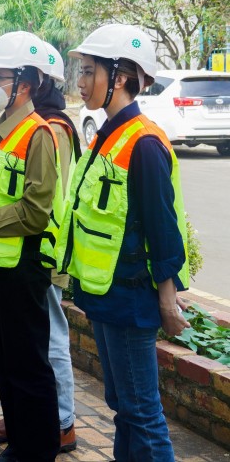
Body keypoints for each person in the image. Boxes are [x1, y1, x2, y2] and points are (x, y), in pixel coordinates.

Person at [57, 24, 190, 462]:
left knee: (142, 411)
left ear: (119, 77)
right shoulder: (108, 134)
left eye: (88, 71)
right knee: (123, 405)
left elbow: (162, 228)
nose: (80, 82)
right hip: (107, 293)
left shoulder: (143, 143)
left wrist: (167, 300)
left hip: (132, 297)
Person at [0, 31, 62, 462]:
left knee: (28, 364)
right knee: (5, 358)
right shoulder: (3, 132)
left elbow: (35, 211)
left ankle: (37, 451)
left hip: (22, 266)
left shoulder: (37, 133)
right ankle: (18, 445)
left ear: (23, 84)